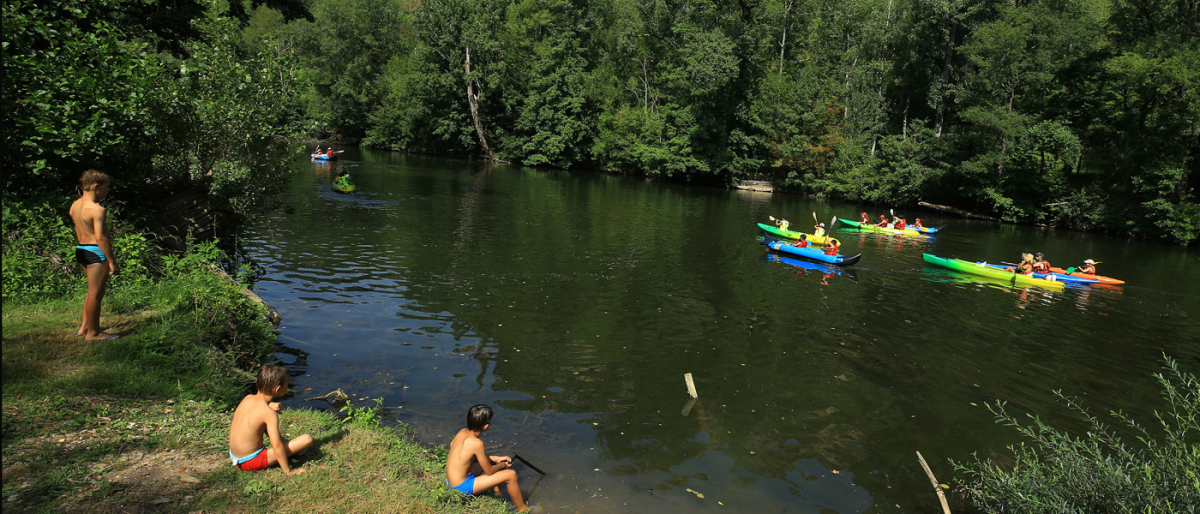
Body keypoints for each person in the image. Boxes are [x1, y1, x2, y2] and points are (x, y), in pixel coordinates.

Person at [445, 405, 538, 512]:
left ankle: (496, 491)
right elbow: (488, 471)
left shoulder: (462, 432)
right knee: (511, 475)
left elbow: (466, 456)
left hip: (451, 480)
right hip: (461, 486)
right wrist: (503, 465)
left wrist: (496, 459)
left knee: (494, 463)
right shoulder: (477, 444)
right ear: (486, 426)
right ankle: (523, 509)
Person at [228, 365, 313, 475]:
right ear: (277, 389)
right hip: (250, 461)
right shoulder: (268, 413)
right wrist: (289, 471)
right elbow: (277, 446)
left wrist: (269, 405)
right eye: (287, 385)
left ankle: (292, 450)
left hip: (235, 457)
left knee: (267, 429)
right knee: (307, 439)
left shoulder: (247, 398)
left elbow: (256, 412)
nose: (287, 387)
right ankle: (291, 456)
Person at [70, 170, 120, 341]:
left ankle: (85, 326)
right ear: (96, 186)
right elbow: (101, 238)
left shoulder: (75, 205)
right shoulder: (97, 209)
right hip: (95, 251)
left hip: (82, 249)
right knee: (96, 293)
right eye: (107, 186)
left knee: (92, 291)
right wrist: (112, 261)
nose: (109, 189)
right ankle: (94, 333)